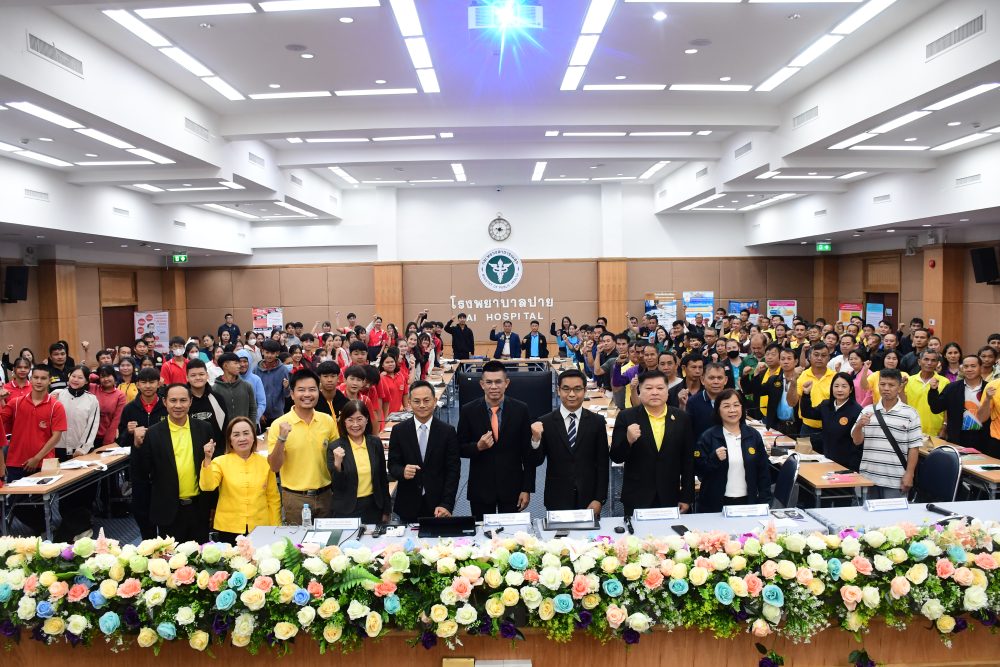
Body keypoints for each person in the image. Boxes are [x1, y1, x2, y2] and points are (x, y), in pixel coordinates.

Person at [131, 383, 215, 542]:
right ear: (164, 402)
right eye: (173, 400)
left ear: (190, 402)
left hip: (199, 509)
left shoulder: (204, 428)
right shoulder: (153, 433)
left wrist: (212, 505)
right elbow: (141, 472)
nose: (178, 405)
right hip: (168, 511)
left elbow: (212, 468)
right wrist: (136, 446)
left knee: (201, 555)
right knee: (172, 556)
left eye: (183, 400)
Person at [456, 360, 536, 518]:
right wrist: (477, 447)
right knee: (482, 532)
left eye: (498, 382)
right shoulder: (468, 410)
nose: (493, 386)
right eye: (489, 382)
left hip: (512, 487)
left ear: (507, 383)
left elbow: (527, 454)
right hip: (481, 489)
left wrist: (526, 488)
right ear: (482, 384)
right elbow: (459, 448)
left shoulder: (521, 409)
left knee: (511, 532)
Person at [610, 370, 695, 516]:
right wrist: (628, 440)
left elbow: (688, 461)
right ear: (639, 391)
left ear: (667, 391)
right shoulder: (626, 416)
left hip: (670, 494)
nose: (655, 392)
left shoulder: (681, 418)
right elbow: (616, 457)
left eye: (660, 388)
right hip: (637, 495)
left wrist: (686, 496)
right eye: (648, 388)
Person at [529, 369, 609, 513]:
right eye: (566, 389)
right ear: (558, 390)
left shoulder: (597, 422)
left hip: (589, 497)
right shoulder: (545, 422)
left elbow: (602, 464)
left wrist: (599, 498)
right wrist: (535, 440)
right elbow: (536, 461)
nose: (571, 394)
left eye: (577, 389)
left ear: (585, 390)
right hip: (557, 496)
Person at [267, 370, 338, 523]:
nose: (307, 394)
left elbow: (336, 457)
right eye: (301, 390)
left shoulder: (327, 421)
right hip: (295, 498)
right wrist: (281, 439)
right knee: (298, 538)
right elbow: (274, 467)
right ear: (292, 394)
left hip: (326, 495)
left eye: (312, 389)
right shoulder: (279, 424)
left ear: (318, 392)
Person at [387, 380, 460, 522]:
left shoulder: (448, 432)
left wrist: (446, 504)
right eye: (416, 401)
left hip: (438, 506)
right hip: (408, 503)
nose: (422, 405)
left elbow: (453, 471)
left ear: (435, 401)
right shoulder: (399, 431)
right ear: (409, 403)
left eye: (426, 400)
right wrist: (402, 471)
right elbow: (393, 465)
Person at [200, 416, 280, 543]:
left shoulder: (265, 462)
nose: (242, 438)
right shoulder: (220, 462)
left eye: (246, 433)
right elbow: (207, 486)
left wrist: (275, 527)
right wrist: (207, 458)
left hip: (261, 527)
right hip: (228, 528)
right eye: (236, 435)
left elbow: (273, 498)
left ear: (253, 437)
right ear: (230, 440)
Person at [694, 389, 772, 513]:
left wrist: (765, 502)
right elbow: (699, 471)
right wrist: (714, 459)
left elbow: (763, 472)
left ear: (742, 408)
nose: (732, 410)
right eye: (726, 406)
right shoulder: (708, 437)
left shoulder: (753, 435)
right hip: (715, 505)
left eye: (736, 405)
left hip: (747, 504)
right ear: (718, 410)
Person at [852, 369, 922, 499]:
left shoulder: (911, 414)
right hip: (868, 477)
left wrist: (910, 474)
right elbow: (856, 441)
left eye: (891, 385)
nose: (886, 388)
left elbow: (914, 447)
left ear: (899, 388)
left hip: (896, 479)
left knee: (894, 512)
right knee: (868, 511)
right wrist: (859, 426)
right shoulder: (867, 410)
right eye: (882, 384)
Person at [328, 399, 391, 524]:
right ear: (344, 422)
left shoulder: (375, 443)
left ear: (366, 420)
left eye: (359, 419)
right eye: (350, 420)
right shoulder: (335, 447)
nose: (355, 424)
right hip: (346, 510)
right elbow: (337, 487)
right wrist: (338, 465)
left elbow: (382, 479)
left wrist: (386, 510)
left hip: (374, 507)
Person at [794, 372, 863, 471]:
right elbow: (807, 413)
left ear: (851, 389)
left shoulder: (857, 410)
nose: (839, 390)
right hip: (827, 458)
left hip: (846, 463)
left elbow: (858, 443)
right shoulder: (826, 405)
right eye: (836, 386)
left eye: (844, 386)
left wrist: (852, 468)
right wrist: (806, 395)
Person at [928, 354, 989, 453]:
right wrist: (933, 390)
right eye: (966, 366)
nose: (969, 369)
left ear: (981, 368)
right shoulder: (952, 388)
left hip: (984, 438)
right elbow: (936, 408)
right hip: (958, 437)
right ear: (962, 369)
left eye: (973, 366)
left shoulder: (989, 388)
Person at [787, 343, 835, 453]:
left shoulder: (835, 377)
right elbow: (791, 403)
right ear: (809, 357)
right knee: (805, 459)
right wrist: (793, 382)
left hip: (830, 429)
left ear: (828, 358)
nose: (819, 358)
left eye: (823, 355)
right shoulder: (802, 375)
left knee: (830, 461)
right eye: (816, 355)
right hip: (807, 428)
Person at [903, 349, 950, 437]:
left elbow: (948, 408)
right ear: (919, 362)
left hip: (935, 430)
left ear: (937, 363)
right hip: (912, 428)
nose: (929, 363)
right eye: (926, 359)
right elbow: (904, 405)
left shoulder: (945, 381)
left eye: (933, 360)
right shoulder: (909, 380)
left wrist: (944, 427)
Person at [186, 359, 227, 444]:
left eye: (201, 374)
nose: (198, 378)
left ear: (207, 375)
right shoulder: (182, 401)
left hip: (216, 449)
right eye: (193, 375)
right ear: (187, 377)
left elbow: (225, 426)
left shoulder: (218, 398)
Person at [685, 362, 729, 441]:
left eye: (719, 378)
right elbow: (688, 433)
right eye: (711, 378)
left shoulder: (732, 401)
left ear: (725, 380)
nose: (716, 382)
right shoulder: (693, 402)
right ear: (702, 380)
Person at [212, 352, 257, 426]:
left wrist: (252, 427)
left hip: (244, 429)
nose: (239, 366)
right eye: (236, 363)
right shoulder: (215, 389)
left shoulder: (247, 386)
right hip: (224, 431)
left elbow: (252, 410)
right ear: (225, 366)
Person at [255, 339, 291, 428]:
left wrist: (286, 387)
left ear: (277, 353)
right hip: (261, 414)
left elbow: (287, 395)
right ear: (262, 351)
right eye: (267, 352)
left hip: (277, 414)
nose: (269, 355)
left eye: (272, 353)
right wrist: (259, 412)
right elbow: (253, 394)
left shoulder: (283, 370)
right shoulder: (256, 370)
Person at [235, 350, 266, 422]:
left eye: (245, 361)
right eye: (239, 361)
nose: (242, 364)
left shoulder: (256, 379)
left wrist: (254, 418)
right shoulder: (232, 379)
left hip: (252, 422)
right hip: (236, 422)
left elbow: (262, 403)